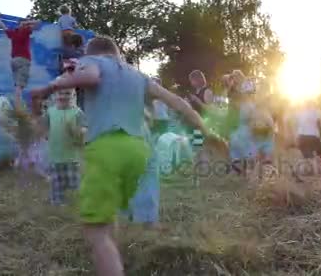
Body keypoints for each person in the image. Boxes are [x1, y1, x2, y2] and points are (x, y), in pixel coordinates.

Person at [30, 36, 220, 276]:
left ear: (95, 54)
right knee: (112, 216)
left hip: (106, 150)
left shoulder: (91, 61)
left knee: (96, 231)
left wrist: (48, 87)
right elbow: (178, 103)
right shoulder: (138, 75)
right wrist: (207, 132)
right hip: (139, 152)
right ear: (117, 54)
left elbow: (90, 77)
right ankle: (121, 252)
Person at [38, 86, 86, 205]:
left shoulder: (77, 112)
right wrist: (44, 134)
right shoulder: (50, 112)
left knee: (74, 181)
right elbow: (44, 127)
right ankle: (58, 201)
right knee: (56, 181)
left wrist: (78, 131)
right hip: (55, 154)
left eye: (67, 93)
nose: (63, 96)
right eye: (60, 93)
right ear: (54, 95)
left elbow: (84, 128)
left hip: (71, 155)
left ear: (73, 95)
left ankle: (76, 201)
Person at [0, 11, 40, 108]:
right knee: (20, 85)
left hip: (14, 60)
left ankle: (17, 103)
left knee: (17, 85)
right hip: (23, 60)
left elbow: (3, 26)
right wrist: (26, 23)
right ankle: (18, 106)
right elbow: (37, 22)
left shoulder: (13, 33)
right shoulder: (25, 31)